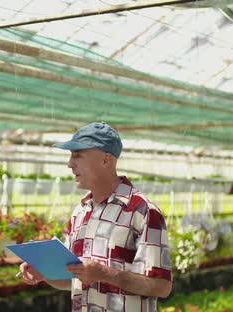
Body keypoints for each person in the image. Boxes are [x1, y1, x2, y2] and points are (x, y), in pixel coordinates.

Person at [19, 122, 172, 312]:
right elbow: (72, 278)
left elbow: (161, 286)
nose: (69, 163)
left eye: (78, 155)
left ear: (106, 159)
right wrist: (45, 273)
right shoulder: (81, 212)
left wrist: (104, 273)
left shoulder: (141, 210)